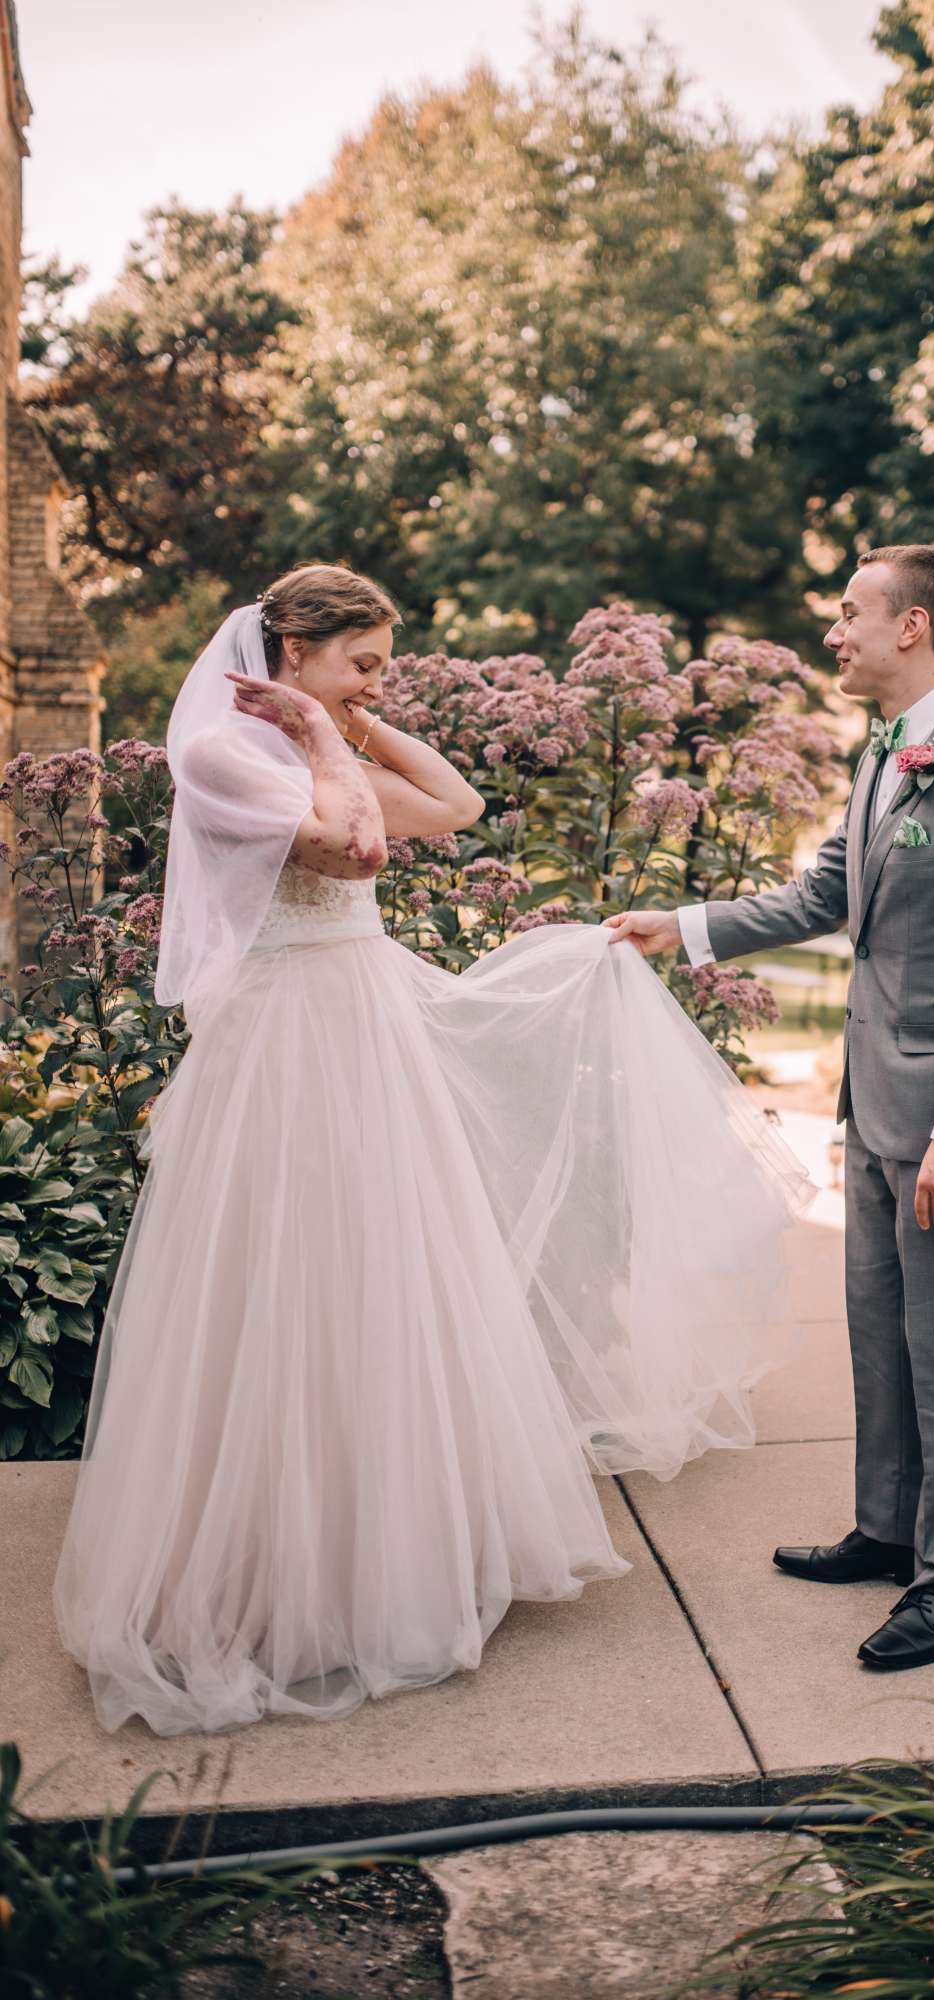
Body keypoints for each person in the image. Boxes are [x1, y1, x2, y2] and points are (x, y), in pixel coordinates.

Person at [54, 563, 812, 1736]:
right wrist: (315, 733)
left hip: (365, 1026)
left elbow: (451, 806)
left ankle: (386, 1551)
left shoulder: (320, 732)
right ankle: (272, 1571)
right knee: (288, 1281)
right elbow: (354, 851)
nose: (376, 680)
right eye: (360, 660)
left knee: (387, 1270)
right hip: (287, 1041)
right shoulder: (218, 754)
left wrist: (352, 719)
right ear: (290, 649)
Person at [605, 543, 934, 1673]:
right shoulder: (887, 750)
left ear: (914, 626)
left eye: (851, 612)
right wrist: (685, 924)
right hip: (874, 1108)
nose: (834, 631)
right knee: (880, 1339)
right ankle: (889, 1528)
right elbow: (827, 893)